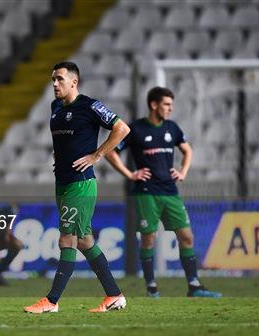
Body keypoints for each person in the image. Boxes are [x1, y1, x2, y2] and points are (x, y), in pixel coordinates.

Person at [23, 62, 130, 314]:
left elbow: (122, 128)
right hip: (63, 182)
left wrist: (97, 155)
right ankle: (114, 295)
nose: (54, 84)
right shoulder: (55, 107)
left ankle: (51, 300)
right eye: (53, 79)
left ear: (74, 82)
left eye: (59, 79)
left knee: (67, 239)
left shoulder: (90, 106)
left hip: (80, 185)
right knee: (84, 241)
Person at [105, 86, 222, 298]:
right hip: (146, 193)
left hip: (170, 191)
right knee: (149, 239)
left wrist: (183, 171)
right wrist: (130, 174)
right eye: (166, 104)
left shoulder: (172, 128)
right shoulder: (136, 129)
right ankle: (151, 288)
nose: (170, 109)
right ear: (154, 104)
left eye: (171, 105)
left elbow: (187, 150)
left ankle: (194, 286)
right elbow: (110, 152)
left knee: (187, 236)